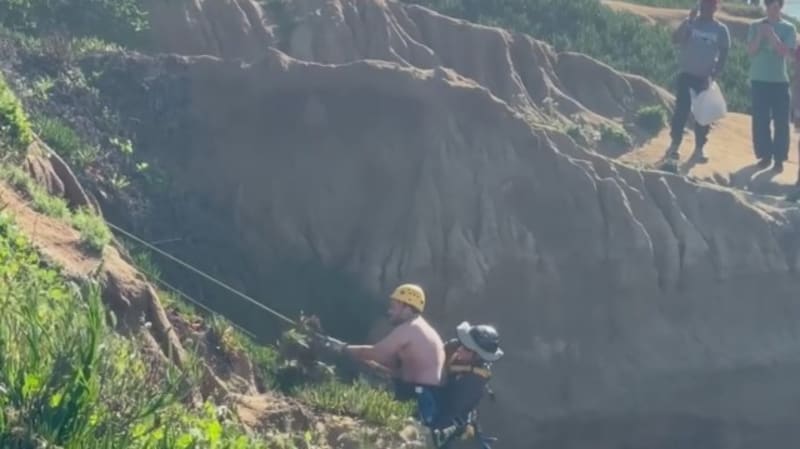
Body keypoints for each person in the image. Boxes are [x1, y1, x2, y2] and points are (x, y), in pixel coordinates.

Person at [325, 283, 446, 401]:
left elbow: (377, 353)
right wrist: (377, 366)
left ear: (407, 308)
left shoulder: (411, 328)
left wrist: (342, 348)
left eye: (394, 307)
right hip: (425, 394)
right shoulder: (423, 329)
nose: (389, 311)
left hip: (418, 395)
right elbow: (401, 366)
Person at [661, 0, 731, 172]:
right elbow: (675, 40)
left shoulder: (721, 29)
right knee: (681, 112)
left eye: (710, 5)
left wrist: (714, 75)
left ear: (716, 7)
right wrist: (688, 21)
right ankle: (674, 145)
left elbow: (724, 54)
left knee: (703, 116)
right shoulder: (691, 23)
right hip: (686, 74)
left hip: (704, 78)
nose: (707, 8)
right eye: (704, 5)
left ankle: (700, 148)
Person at [429, 321, 504, 448]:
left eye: (466, 349)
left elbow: (450, 411)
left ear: (478, 356)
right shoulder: (455, 347)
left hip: (445, 424)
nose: (459, 349)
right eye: (462, 344)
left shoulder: (473, 382)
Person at [747, 0, 797, 173]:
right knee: (760, 120)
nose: (772, 10)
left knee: (781, 122)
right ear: (765, 7)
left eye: (776, 6)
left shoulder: (789, 28)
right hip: (758, 79)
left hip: (779, 82)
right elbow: (751, 51)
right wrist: (761, 35)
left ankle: (779, 159)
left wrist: (772, 35)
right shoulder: (754, 26)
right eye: (770, 6)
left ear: (781, 7)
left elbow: (786, 53)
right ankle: (764, 156)